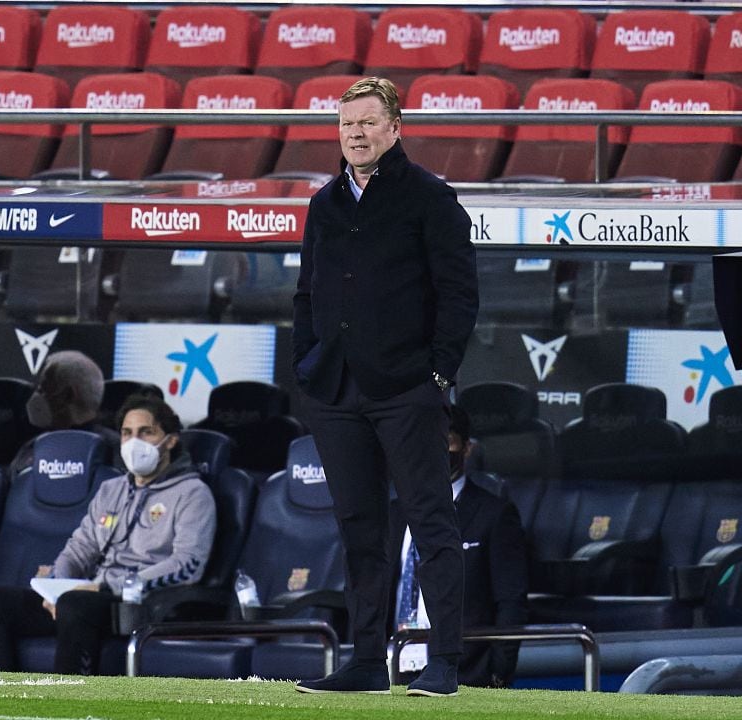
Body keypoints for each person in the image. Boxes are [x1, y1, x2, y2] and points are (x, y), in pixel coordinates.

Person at [292, 77, 479, 696]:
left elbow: (459, 294)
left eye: (368, 122)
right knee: (358, 528)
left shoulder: (430, 197)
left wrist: (438, 374)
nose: (356, 133)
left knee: (430, 522)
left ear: (395, 128)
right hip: (335, 392)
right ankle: (368, 661)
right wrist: (307, 363)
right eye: (347, 124)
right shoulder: (325, 203)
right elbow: (305, 293)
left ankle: (445, 661)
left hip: (407, 389)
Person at [0, 394, 215, 674]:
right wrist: (56, 585)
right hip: (90, 596)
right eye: (126, 433)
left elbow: (188, 565)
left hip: (141, 602)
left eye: (146, 432)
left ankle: (71, 709)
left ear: (170, 440)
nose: (135, 442)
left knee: (76, 604)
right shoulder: (112, 489)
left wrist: (107, 586)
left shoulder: (193, 493)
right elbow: (80, 547)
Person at [391, 405, 529, 688]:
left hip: (464, 671)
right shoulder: (394, 512)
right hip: (392, 664)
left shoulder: (495, 514)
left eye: (447, 440)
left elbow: (510, 601)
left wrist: (498, 673)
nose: (436, 449)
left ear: (466, 448)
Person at [10, 350, 121, 475]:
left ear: (68, 396)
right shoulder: (32, 448)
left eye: (42, 390)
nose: (36, 398)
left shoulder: (115, 452)